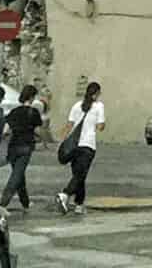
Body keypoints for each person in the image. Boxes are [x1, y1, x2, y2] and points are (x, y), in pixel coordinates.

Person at [56, 81, 105, 216]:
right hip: (88, 145)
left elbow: (69, 125)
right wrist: (97, 125)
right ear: (95, 94)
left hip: (74, 146)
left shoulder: (77, 105)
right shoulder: (99, 106)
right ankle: (65, 194)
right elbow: (100, 126)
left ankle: (79, 204)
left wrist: (62, 141)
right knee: (80, 175)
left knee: (79, 175)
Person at [0, 84, 46, 210]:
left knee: (19, 175)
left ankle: (25, 203)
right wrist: (40, 138)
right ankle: (3, 203)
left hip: (13, 146)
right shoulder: (34, 112)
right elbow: (39, 131)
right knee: (16, 175)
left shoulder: (14, 112)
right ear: (31, 97)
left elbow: (5, 130)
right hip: (26, 147)